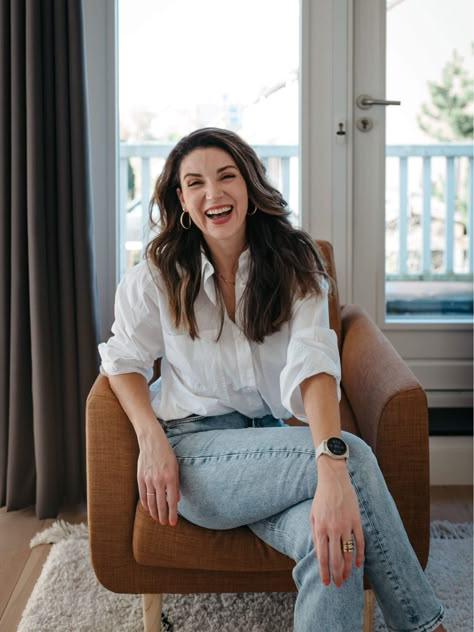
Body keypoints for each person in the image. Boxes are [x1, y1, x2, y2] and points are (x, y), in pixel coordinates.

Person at [99, 127, 446, 631]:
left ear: (250, 185)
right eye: (195, 183)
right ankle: (425, 626)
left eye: (226, 177)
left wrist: (331, 479)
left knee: (328, 539)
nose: (213, 193)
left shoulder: (296, 261)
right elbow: (122, 361)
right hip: (194, 455)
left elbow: (315, 363)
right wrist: (150, 439)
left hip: (269, 440)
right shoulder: (157, 271)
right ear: (182, 200)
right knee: (355, 457)